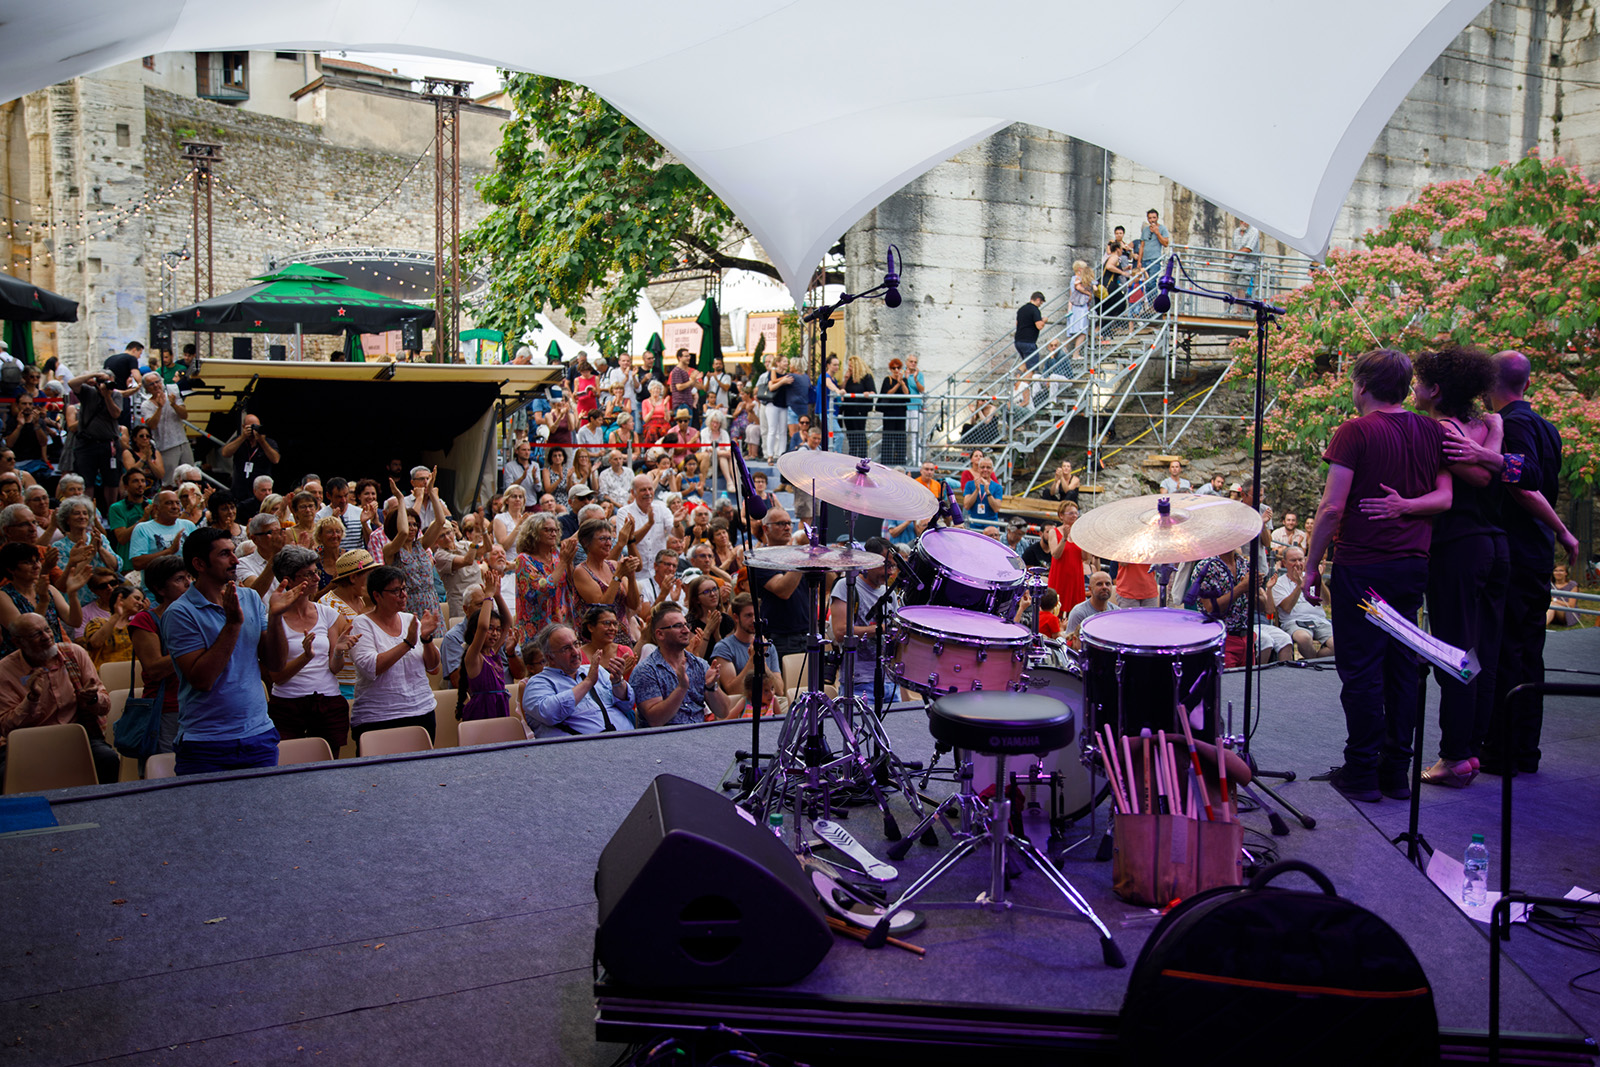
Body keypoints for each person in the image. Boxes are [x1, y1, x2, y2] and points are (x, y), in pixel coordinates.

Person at [1303, 349, 1450, 803]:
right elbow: (1444, 496)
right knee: (1402, 666)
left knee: (1362, 667)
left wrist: (1312, 564)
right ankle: (1396, 771)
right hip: (1411, 566)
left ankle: (1362, 770)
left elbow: (1332, 507)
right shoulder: (1431, 429)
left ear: (1362, 386)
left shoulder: (1355, 431)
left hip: (1364, 566)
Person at [1439, 349, 1575, 778]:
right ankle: (1522, 749)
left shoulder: (1513, 424)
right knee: (1526, 652)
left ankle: (1504, 749)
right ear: (1528, 384)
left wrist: (1481, 455)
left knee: (1506, 651)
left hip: (1516, 550)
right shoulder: (1547, 426)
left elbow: (1523, 480)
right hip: (1531, 553)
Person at [162, 527, 295, 775]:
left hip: (258, 736)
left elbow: (276, 664)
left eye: (234, 552)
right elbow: (202, 680)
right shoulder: (180, 613)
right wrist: (233, 624)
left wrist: (276, 618)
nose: (235, 560)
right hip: (206, 744)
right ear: (199, 564)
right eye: (225, 554)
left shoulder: (250, 598)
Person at [0, 613, 117, 784]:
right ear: (18, 642)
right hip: (28, 745)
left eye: (47, 629)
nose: (47, 637)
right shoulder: (5, 671)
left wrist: (92, 699)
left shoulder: (73, 654)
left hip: (74, 738)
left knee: (108, 759)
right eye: (36, 634)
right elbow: (5, 726)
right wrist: (31, 699)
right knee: (4, 776)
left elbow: (104, 705)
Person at [264, 545, 353, 757]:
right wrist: (305, 657)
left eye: (316, 572)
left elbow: (334, 668)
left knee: (328, 765)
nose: (316, 578)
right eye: (308, 574)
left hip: (327, 702)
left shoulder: (327, 614)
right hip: (288, 706)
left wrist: (339, 652)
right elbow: (277, 676)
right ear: (289, 580)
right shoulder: (275, 618)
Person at [348, 564, 439, 743]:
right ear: (377, 595)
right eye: (396, 591)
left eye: (404, 589)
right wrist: (407, 643)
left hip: (421, 710)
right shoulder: (361, 624)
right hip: (378, 717)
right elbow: (370, 668)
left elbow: (433, 667)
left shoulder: (410, 620)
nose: (403, 595)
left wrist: (427, 639)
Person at [128, 555, 190, 761]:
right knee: (172, 770)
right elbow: (154, 668)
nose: (188, 583)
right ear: (160, 589)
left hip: (203, 705)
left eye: (189, 576)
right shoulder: (146, 620)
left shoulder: (199, 614)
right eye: (180, 579)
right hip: (170, 709)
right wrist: (194, 647)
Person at [523, 621, 635, 736]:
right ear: (550, 658)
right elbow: (549, 714)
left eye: (576, 644)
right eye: (566, 648)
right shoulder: (538, 683)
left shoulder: (595, 670)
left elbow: (627, 705)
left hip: (625, 739)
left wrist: (618, 682)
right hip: (579, 749)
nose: (576, 652)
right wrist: (588, 682)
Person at [633, 601, 732, 726]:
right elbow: (655, 720)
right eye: (678, 626)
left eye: (686, 625)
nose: (686, 630)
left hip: (700, 737)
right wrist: (681, 689)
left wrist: (711, 687)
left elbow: (723, 712)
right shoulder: (646, 670)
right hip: (665, 741)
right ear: (660, 634)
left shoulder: (700, 665)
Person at [828, 537, 892, 705]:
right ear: (869, 561)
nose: (890, 572)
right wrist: (881, 629)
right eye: (885, 566)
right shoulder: (846, 586)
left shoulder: (889, 593)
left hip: (889, 682)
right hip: (858, 683)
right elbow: (841, 632)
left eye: (892, 566)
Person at [0, 541, 85, 658]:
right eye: (27, 562)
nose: (36, 566)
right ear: (11, 569)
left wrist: (72, 593)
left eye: (38, 561)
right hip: (23, 662)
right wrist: (43, 602)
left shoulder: (50, 589)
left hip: (54, 657)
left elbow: (74, 621)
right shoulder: (4, 596)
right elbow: (26, 631)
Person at [320, 548, 380, 700]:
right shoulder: (329, 606)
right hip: (345, 687)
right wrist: (368, 607)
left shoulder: (361, 597)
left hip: (369, 680)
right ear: (353, 578)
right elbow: (357, 636)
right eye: (370, 575)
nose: (375, 580)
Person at [711, 592, 782, 718]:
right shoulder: (724, 648)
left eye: (757, 615)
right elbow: (733, 691)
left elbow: (779, 690)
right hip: (742, 709)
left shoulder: (767, 646)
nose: (754, 620)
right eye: (748, 615)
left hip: (769, 706)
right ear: (736, 617)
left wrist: (762, 659)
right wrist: (753, 660)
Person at [381, 476, 446, 613]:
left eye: (415, 524)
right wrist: (400, 499)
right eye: (409, 524)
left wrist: (431, 493)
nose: (412, 528)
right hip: (408, 605)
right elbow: (403, 532)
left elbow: (440, 521)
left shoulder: (420, 545)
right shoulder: (391, 549)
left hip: (431, 602)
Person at [512, 512, 573, 651]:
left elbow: (569, 585)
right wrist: (564, 563)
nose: (553, 533)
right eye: (547, 530)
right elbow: (543, 590)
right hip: (536, 629)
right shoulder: (524, 560)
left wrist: (568, 563)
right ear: (534, 532)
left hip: (560, 624)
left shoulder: (557, 555)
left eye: (555, 530)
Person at [69, 369, 125, 512]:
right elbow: (71, 383)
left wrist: (107, 396)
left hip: (108, 443)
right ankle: (88, 513)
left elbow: (116, 414)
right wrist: (93, 375)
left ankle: (111, 511)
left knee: (111, 481)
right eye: (103, 382)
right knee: (86, 481)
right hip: (87, 443)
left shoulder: (116, 395)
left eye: (108, 381)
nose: (105, 385)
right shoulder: (88, 392)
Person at [455, 596, 513, 722]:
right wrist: (488, 596)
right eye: (491, 629)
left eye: (498, 630)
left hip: (499, 709)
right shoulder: (474, 655)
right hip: (482, 712)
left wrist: (497, 595)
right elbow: (482, 627)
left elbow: (508, 622)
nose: (495, 633)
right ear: (474, 631)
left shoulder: (492, 652)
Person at [1272, 547, 1334, 660]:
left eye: (1300, 560)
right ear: (1284, 563)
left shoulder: (1312, 578)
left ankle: (1312, 661)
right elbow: (1286, 608)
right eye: (1293, 560)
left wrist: (1319, 580)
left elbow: (1326, 601)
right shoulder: (1279, 583)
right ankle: (1314, 662)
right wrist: (1299, 586)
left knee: (1336, 645)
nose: (1297, 564)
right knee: (1303, 639)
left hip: (1319, 620)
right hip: (1294, 622)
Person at [138, 370, 190, 482]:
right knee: (170, 480)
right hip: (166, 446)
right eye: (151, 384)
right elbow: (151, 425)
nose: (156, 385)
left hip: (183, 441)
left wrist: (174, 404)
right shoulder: (146, 405)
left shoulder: (172, 396)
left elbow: (184, 415)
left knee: (189, 476)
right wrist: (160, 407)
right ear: (146, 388)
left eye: (157, 382)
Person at [82, 582, 144, 670]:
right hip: (106, 675)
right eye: (137, 598)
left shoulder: (136, 625)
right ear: (121, 599)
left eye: (142, 601)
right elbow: (95, 643)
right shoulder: (98, 622)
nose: (140, 603)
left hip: (134, 674)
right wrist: (116, 616)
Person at [1043, 499, 1087, 616]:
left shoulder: (1079, 533)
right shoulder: (1054, 532)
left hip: (1076, 577)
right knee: (1057, 610)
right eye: (1071, 513)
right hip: (1060, 576)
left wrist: (1086, 541)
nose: (1074, 516)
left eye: (1076, 513)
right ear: (1061, 515)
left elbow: (1085, 558)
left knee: (1076, 610)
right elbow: (1055, 554)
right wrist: (1064, 538)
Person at [620, 474, 674, 566]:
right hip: (637, 573)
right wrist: (649, 525)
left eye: (650, 489)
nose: (648, 493)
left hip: (659, 572)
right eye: (643, 490)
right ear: (633, 493)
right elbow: (625, 542)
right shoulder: (624, 513)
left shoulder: (662, 509)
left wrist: (677, 524)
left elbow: (677, 534)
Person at [218, 414, 279, 496]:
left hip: (261, 491)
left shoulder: (269, 442)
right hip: (239, 489)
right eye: (251, 427)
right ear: (244, 427)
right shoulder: (239, 440)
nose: (254, 430)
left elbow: (275, 459)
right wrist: (243, 437)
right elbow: (225, 453)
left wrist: (262, 441)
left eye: (256, 426)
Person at [315, 477, 365, 552]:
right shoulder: (320, 516)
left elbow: (369, 542)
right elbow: (318, 547)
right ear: (328, 496)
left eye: (346, 495)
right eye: (339, 497)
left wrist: (365, 524)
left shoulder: (360, 513)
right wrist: (332, 524)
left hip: (358, 560)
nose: (343, 500)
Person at [1064, 570, 1115, 645]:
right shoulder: (1079, 612)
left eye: (1107, 584)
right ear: (1090, 589)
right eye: (1099, 584)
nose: (1104, 587)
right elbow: (1070, 642)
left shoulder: (1115, 611)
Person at [1136, 208, 1171, 306]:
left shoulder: (1162, 229)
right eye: (1150, 218)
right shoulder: (1145, 230)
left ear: (1157, 218)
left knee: (1151, 282)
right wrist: (1139, 260)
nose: (1152, 220)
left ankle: (1154, 304)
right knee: (1147, 284)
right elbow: (1142, 246)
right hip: (1145, 260)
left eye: (1154, 218)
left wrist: (1157, 232)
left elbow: (1165, 243)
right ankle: (1151, 304)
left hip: (1155, 259)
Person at [962, 457, 1003, 526]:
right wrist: (976, 490)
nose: (985, 470)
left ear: (992, 470)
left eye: (988, 467)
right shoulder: (970, 484)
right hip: (973, 524)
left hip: (991, 525)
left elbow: (996, 508)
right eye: (982, 467)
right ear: (978, 469)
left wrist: (987, 491)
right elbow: (966, 505)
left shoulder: (997, 487)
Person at [1230, 218, 1262, 306]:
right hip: (1236, 263)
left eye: (1245, 221)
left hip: (1248, 264)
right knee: (1233, 286)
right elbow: (1234, 246)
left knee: (1241, 287)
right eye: (1241, 221)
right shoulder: (1236, 231)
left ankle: (1239, 312)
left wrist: (1234, 253)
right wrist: (1233, 254)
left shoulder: (1254, 231)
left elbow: (1248, 249)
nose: (1244, 223)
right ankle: (1233, 309)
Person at [1014, 291, 1048, 373]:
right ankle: (1027, 383)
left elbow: (1017, 323)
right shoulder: (1034, 310)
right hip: (1028, 342)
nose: (1040, 305)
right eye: (1041, 303)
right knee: (1033, 367)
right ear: (1038, 299)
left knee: (1027, 363)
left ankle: (1017, 377)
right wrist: (1044, 321)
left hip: (1018, 341)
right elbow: (1039, 326)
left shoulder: (1021, 309)